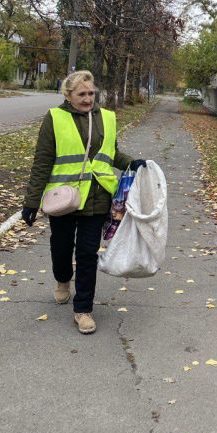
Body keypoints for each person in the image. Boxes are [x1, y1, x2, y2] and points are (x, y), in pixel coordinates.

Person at [21, 70, 147, 334]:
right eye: (82, 94)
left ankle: (83, 310)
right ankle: (63, 279)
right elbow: (42, 161)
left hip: (97, 197)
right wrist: (32, 201)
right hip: (64, 199)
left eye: (91, 93)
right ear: (68, 95)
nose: (88, 99)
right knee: (61, 246)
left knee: (88, 254)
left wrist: (132, 163)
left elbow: (111, 153)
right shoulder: (55, 118)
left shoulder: (106, 118)